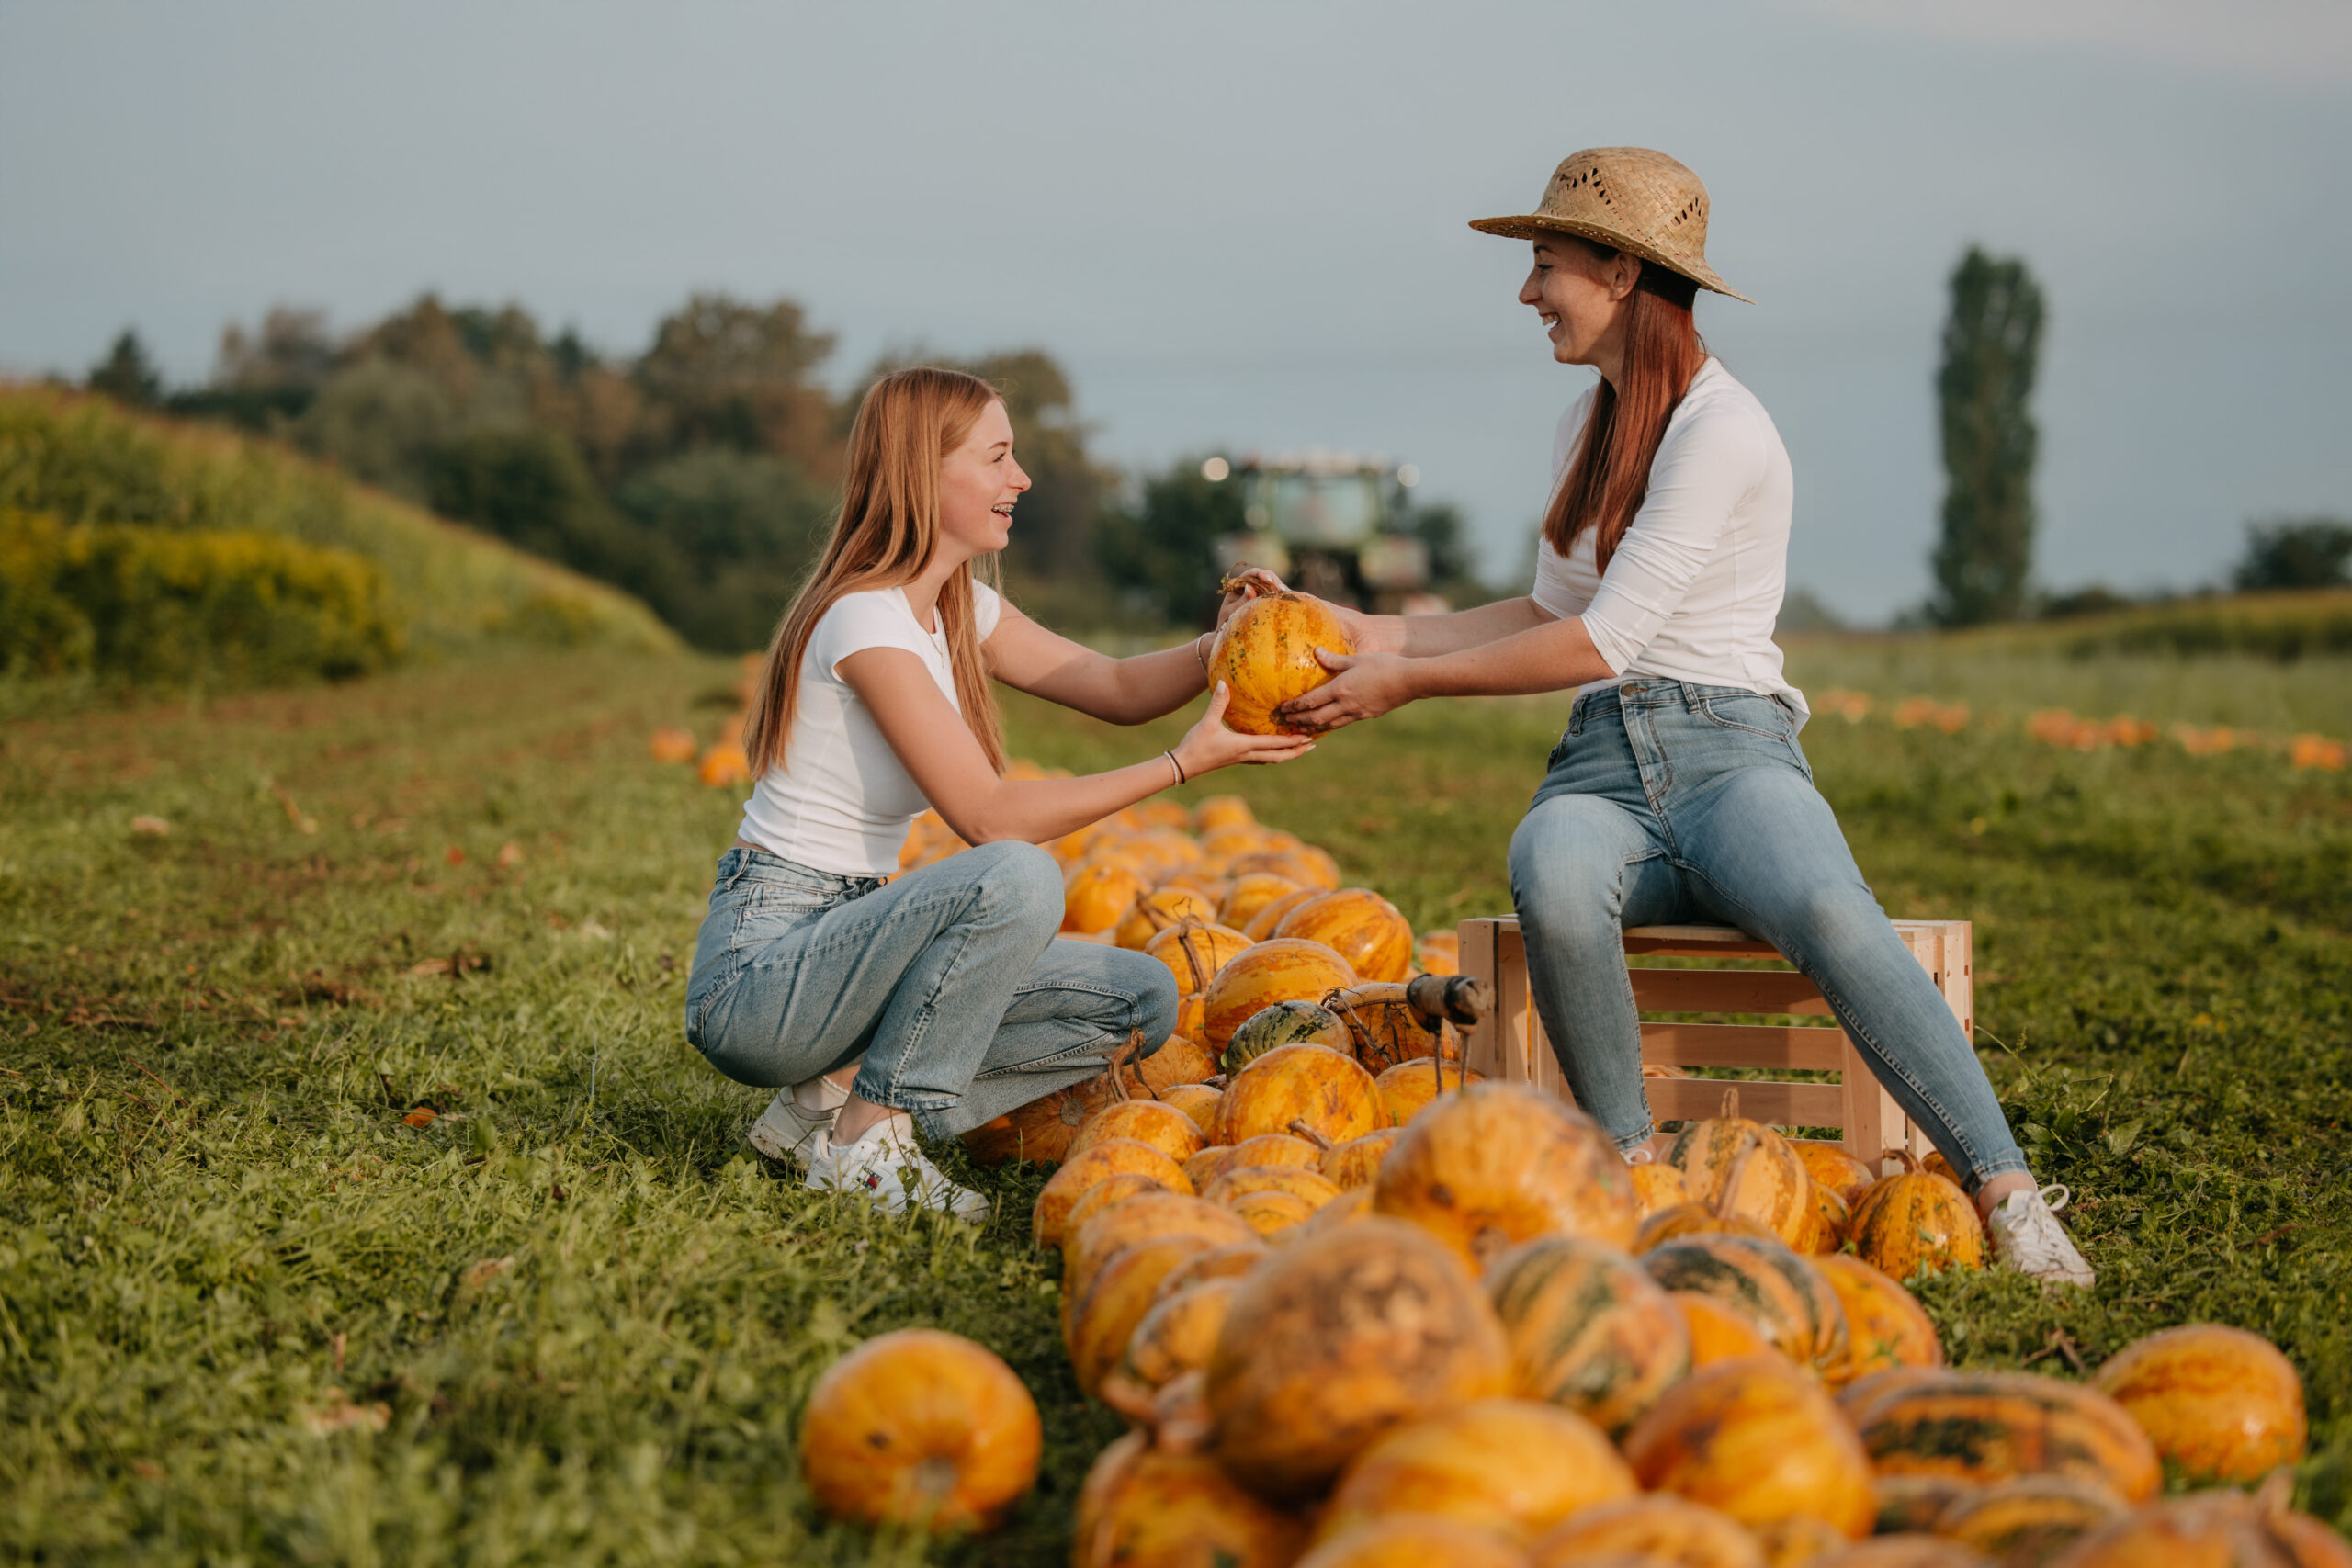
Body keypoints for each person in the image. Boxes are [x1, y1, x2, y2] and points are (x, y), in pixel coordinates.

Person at [1267, 147, 2093, 1286]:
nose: (1526, 293)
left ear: (1619, 273)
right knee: (1549, 869)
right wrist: (1358, 628)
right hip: (1601, 768)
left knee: (1827, 908)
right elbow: (1546, 607)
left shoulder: (1722, 429)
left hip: (1730, 756)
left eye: (1545, 265)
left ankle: (2004, 1192)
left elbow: (1603, 640)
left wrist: (1403, 683)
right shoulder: (1588, 423)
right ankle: (1628, 1175)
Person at [684, 366, 1310, 1219]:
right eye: (999, 457)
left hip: (847, 946)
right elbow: (986, 817)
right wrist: (1182, 765)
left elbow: (1115, 685)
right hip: (762, 979)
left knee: (1141, 998)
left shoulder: (953, 605)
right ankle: (871, 1137)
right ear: (923, 471)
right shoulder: (864, 617)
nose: (1021, 479)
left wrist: (1228, 641)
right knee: (1016, 876)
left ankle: (816, 1113)